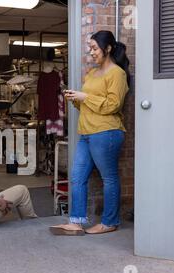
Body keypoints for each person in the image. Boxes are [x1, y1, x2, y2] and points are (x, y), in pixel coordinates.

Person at [50, 30, 130, 236]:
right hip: (86, 133)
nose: (91, 52)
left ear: (108, 48)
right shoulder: (92, 74)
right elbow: (88, 106)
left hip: (106, 132)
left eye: (94, 48)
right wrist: (75, 100)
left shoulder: (117, 74)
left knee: (109, 178)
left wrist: (85, 96)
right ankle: (76, 221)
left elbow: (113, 105)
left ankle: (110, 222)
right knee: (77, 177)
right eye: (90, 48)